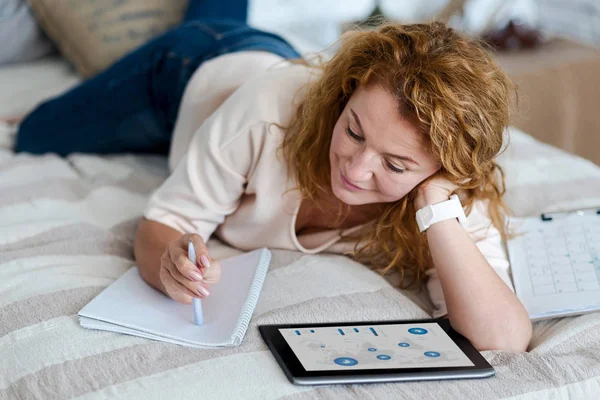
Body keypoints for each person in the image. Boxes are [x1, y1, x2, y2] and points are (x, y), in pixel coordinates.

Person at [13, 14, 532, 352]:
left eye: (395, 165)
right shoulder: (268, 113)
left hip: (262, 67)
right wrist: (169, 261)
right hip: (194, 68)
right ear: (344, 95)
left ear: (445, 170)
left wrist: (436, 206)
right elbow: (166, 222)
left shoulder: (448, 193)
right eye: (351, 130)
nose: (354, 170)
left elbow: (503, 337)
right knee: (32, 132)